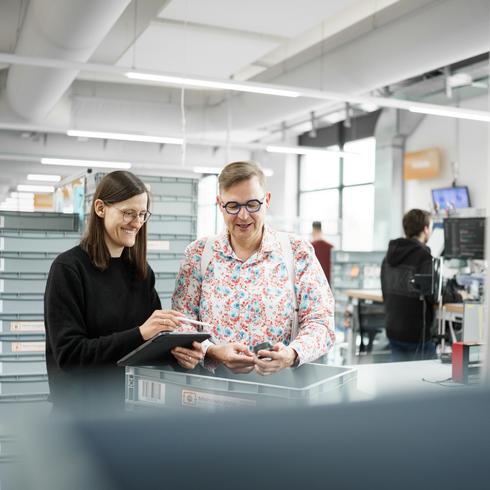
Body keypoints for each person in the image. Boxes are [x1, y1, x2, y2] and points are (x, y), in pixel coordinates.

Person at [44, 171, 200, 412]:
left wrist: (179, 354)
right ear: (100, 208)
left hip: (132, 411)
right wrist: (140, 333)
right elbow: (70, 356)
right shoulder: (68, 270)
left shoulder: (141, 273)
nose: (137, 222)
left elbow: (149, 347)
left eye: (142, 214)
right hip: (80, 417)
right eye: (128, 213)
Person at [172, 161, 335, 375]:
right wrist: (212, 351)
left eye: (252, 204)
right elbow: (180, 322)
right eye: (233, 206)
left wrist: (292, 354)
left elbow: (321, 321)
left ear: (266, 200)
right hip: (212, 390)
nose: (243, 216)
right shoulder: (199, 254)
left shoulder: (297, 252)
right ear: (220, 204)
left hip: (281, 388)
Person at [380, 208, 436, 362]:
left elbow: (384, 291)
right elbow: (433, 294)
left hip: (393, 330)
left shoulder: (388, 256)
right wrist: (458, 295)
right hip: (416, 335)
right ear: (425, 229)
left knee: (398, 378)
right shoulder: (424, 256)